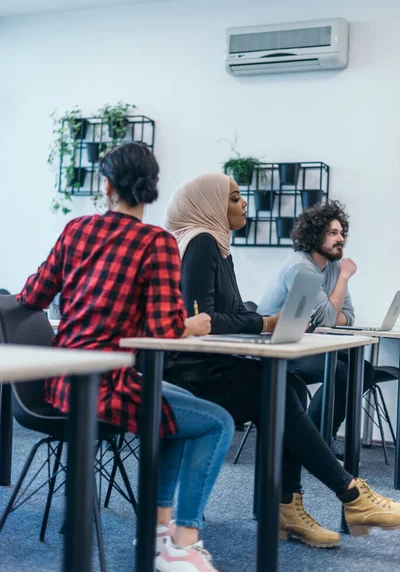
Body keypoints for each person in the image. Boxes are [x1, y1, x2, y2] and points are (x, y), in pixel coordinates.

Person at [16, 143, 235, 572]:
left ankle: (158, 531)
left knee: (173, 410)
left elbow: (32, 295)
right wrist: (194, 324)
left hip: (59, 384)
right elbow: (163, 329)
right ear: (151, 190)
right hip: (110, 386)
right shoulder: (156, 242)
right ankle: (182, 542)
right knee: (217, 423)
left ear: (107, 186)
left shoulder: (75, 229)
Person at [164, 172, 400, 549]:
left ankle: (287, 508)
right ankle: (350, 495)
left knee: (287, 384)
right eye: (236, 198)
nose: (245, 204)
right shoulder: (202, 241)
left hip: (209, 365)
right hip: (190, 372)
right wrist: (262, 322)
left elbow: (234, 310)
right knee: (278, 389)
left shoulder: (218, 246)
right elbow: (203, 318)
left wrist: (264, 324)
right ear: (208, 205)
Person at [258, 201, 375, 459]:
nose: (340, 238)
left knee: (362, 370)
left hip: (302, 345)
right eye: (332, 232)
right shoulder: (301, 266)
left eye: (341, 232)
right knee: (339, 370)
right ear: (314, 235)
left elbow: (348, 315)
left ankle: (316, 435)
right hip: (275, 348)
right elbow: (329, 316)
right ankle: (315, 439)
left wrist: (331, 314)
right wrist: (344, 279)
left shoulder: (332, 266)